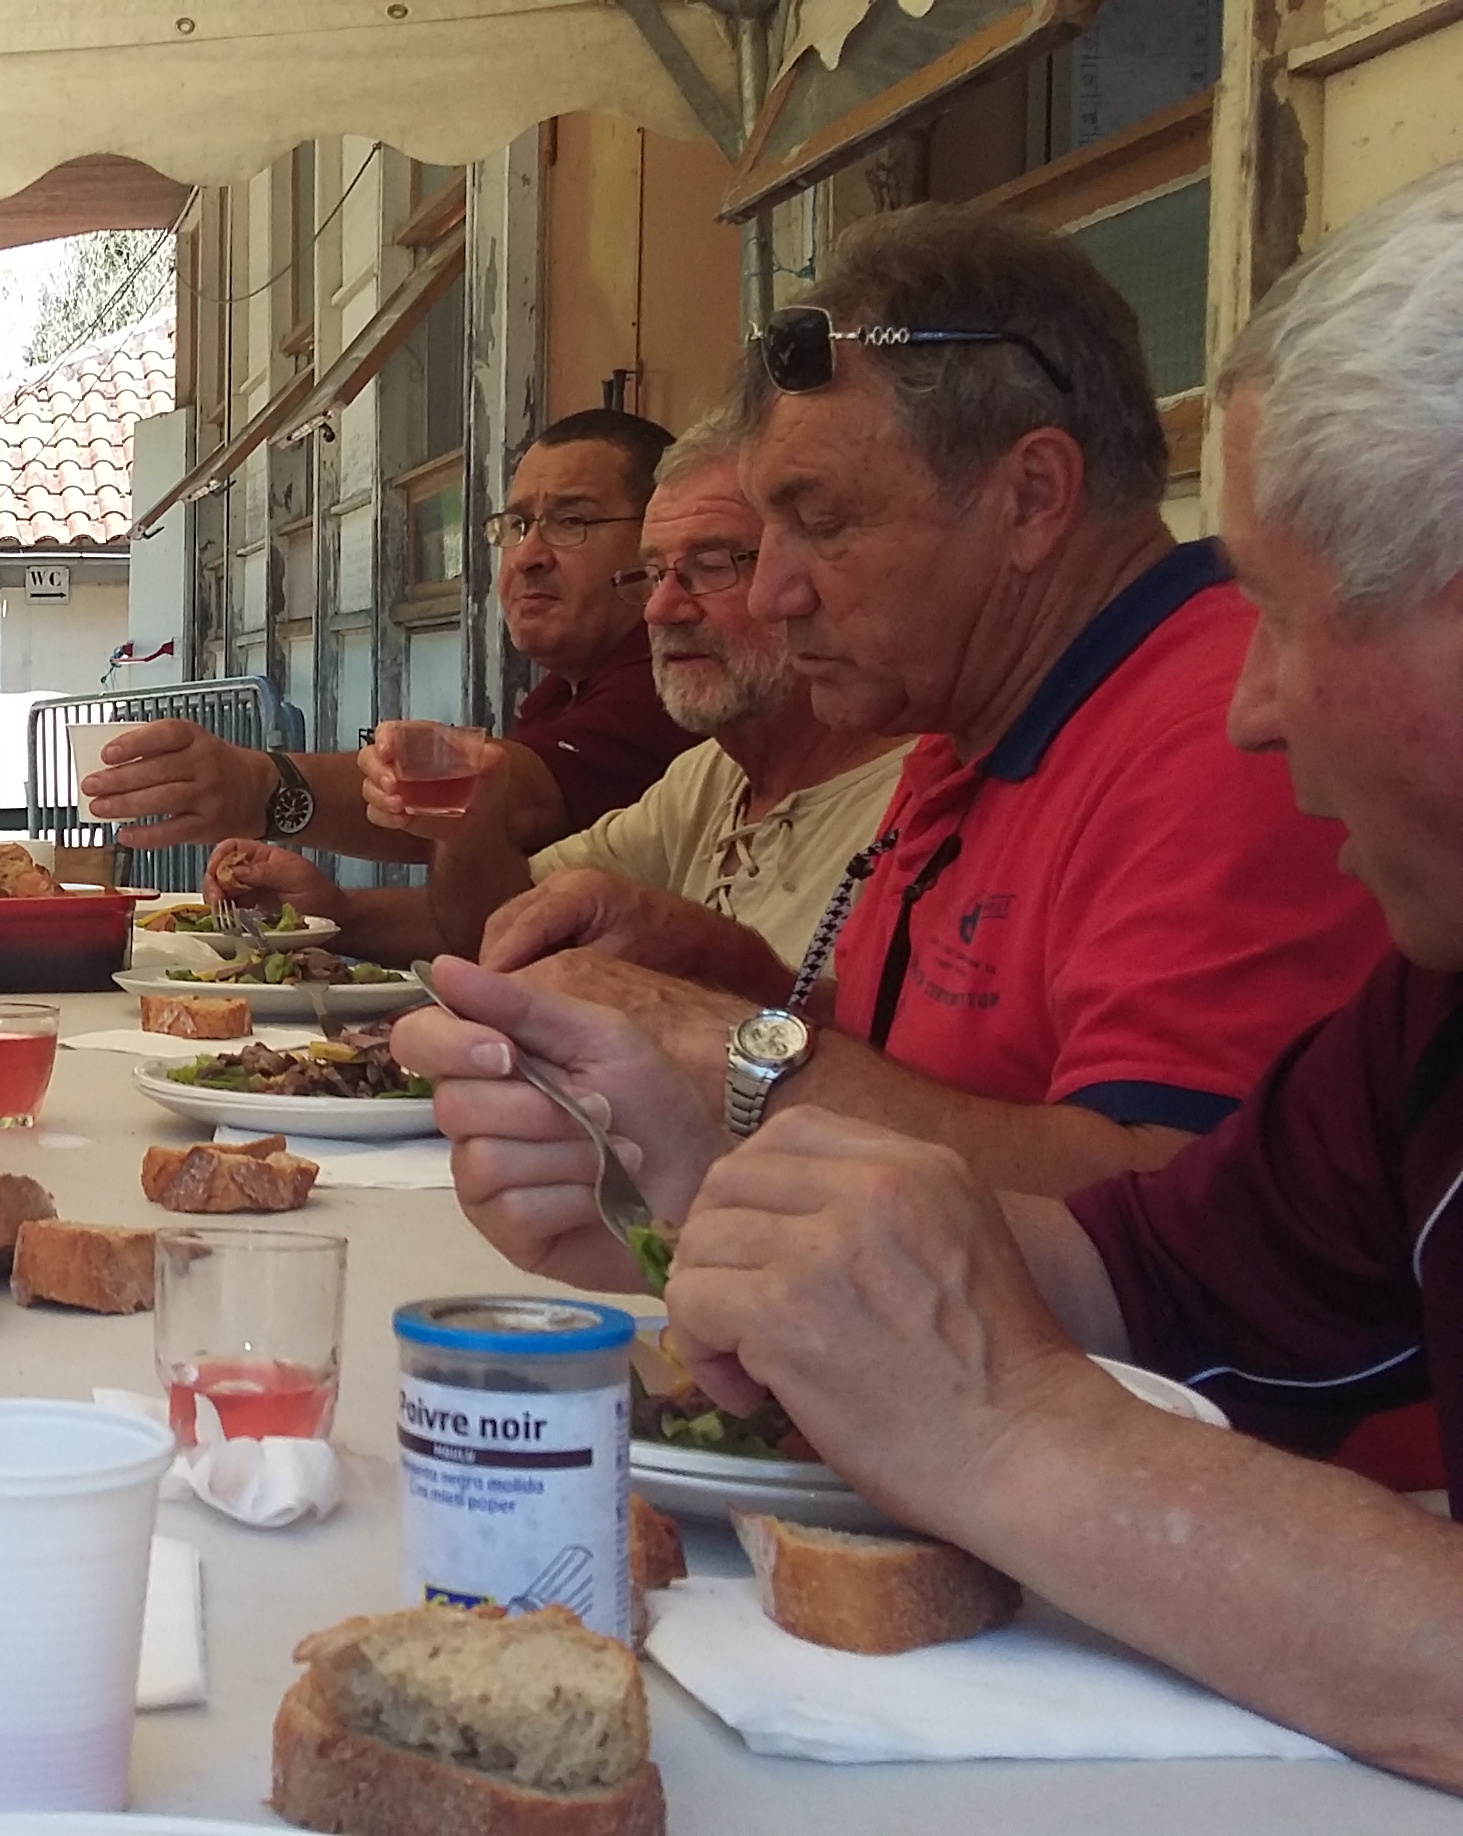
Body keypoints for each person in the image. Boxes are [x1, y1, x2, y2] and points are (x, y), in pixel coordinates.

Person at [394, 162, 1463, 1788]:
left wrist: (1016, 1429)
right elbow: (1161, 1268)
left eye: (1285, 612)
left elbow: (1103, 1284)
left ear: (1028, 499)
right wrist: (705, 1188)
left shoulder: (1188, 749)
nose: (1256, 705)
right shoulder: (1412, 1000)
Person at [471, 206, 1388, 1198]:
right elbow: (930, 1075)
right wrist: (715, 967)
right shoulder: (970, 716)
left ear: (1031, 497)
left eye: (819, 522)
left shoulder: (1219, 738)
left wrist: (718, 1047)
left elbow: (1169, 1218)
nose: (777, 594)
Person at [207, 418, 906, 970]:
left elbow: (528, 803)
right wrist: (363, 897)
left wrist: (255, 785)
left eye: (712, 565)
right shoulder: (711, 776)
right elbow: (506, 921)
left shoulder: (922, 794)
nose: (662, 608)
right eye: (653, 573)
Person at [78, 409, 697, 859]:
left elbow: (509, 798)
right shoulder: (562, 694)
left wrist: (260, 785)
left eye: (571, 522)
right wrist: (338, 915)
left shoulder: (669, 681)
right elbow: (491, 914)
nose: (527, 555)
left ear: (657, 541)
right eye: (515, 524)